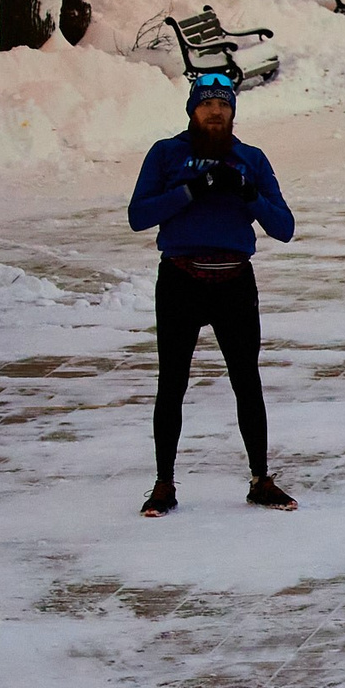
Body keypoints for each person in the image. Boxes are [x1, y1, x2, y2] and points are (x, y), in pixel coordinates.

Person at [128, 72, 299, 517]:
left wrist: (248, 194)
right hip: (181, 279)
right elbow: (138, 215)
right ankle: (164, 483)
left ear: (233, 113)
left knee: (247, 380)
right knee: (172, 383)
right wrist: (189, 191)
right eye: (207, 104)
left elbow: (284, 227)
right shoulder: (167, 154)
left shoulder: (250, 159)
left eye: (223, 105)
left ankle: (261, 479)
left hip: (234, 282)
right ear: (191, 110)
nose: (215, 112)